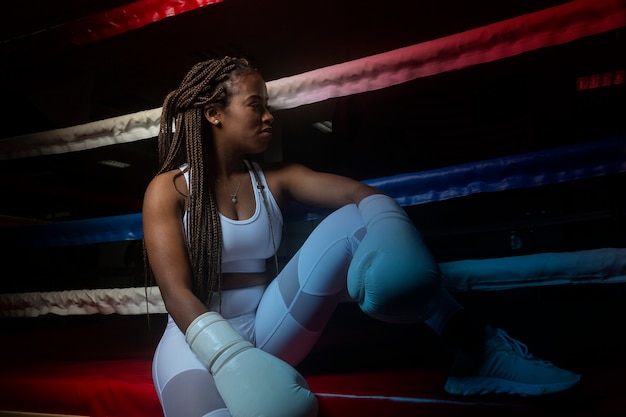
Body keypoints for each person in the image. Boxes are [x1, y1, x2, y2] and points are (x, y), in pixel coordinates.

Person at [142, 57, 581, 417]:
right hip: (196, 345)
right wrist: (228, 358)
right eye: (256, 104)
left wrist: (391, 230)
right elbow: (176, 292)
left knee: (357, 217)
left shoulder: (277, 180)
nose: (269, 115)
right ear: (214, 113)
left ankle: (474, 345)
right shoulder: (170, 189)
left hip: (269, 326)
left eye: (268, 104)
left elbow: (359, 194)